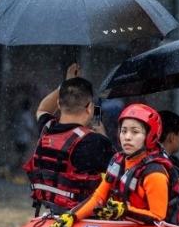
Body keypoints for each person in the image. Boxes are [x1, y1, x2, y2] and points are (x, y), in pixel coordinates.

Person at [46, 103, 179, 227]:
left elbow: (158, 217)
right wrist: (72, 216)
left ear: (150, 136)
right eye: (124, 131)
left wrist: (125, 211)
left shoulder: (154, 172)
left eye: (135, 132)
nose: (127, 137)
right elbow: (98, 197)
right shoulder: (118, 161)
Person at [24, 63, 114, 215]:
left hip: (51, 210)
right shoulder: (96, 142)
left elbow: (43, 109)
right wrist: (101, 132)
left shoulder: (46, 130)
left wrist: (65, 84)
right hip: (82, 217)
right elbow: (117, 171)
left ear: (59, 103)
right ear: (90, 108)